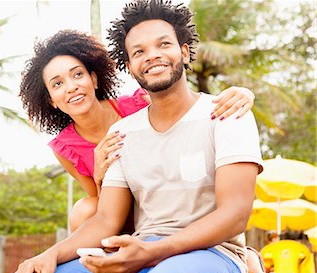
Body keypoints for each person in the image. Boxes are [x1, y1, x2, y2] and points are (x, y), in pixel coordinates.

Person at [0, 1, 269, 273]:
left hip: (211, 255)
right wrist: (49, 255)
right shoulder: (121, 131)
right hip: (139, 249)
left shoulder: (226, 113)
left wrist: (152, 252)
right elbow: (106, 219)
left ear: (184, 51)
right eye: (139, 52)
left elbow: (235, 213)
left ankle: (250, 268)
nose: (152, 56)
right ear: (129, 65)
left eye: (163, 44)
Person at [20, 31, 255, 233]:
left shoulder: (138, 105)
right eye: (57, 84)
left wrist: (243, 93)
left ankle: (244, 256)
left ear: (93, 79)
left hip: (177, 197)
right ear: (50, 99)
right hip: (128, 218)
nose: (71, 87)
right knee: (84, 210)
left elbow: (187, 110)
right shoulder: (65, 147)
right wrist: (100, 174)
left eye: (77, 74)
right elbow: (102, 206)